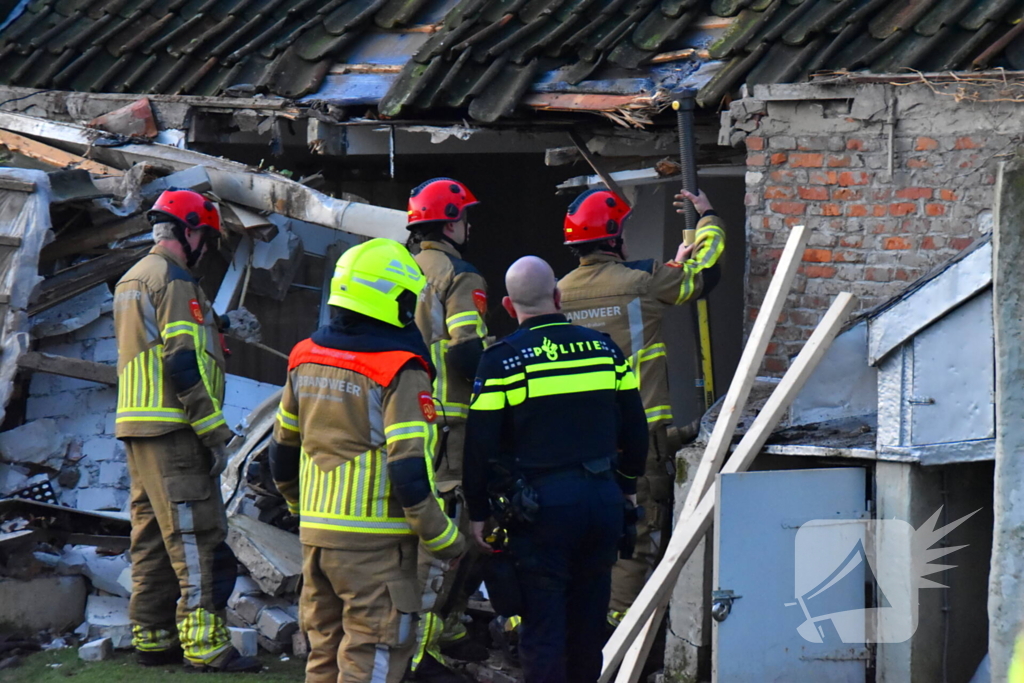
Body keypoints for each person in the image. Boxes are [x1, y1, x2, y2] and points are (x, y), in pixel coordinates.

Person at [269, 238, 467, 683]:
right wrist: (445, 540)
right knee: (373, 655)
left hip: (316, 539)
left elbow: (281, 451)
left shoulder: (305, 356)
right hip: (377, 547)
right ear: (391, 298)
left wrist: (300, 510)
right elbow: (409, 470)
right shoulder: (400, 367)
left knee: (324, 653)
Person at [464, 256, 648, 682]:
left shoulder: (502, 360)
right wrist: (626, 485)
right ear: (558, 297)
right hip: (603, 501)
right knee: (588, 629)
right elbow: (635, 426)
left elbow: (479, 446)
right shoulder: (604, 349)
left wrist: (478, 510)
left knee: (544, 631)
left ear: (509, 307)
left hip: (542, 510)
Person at [556, 188, 725, 626]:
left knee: (578, 529)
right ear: (613, 239)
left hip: (572, 439)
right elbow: (705, 275)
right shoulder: (642, 280)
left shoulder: (557, 294)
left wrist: (670, 265)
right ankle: (618, 630)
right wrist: (707, 219)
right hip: (635, 434)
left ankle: (577, 620)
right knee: (633, 528)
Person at [113, 189, 259, 673]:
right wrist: (212, 429)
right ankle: (205, 645)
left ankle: (152, 635)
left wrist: (217, 326)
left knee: (153, 535)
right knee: (196, 537)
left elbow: (162, 347)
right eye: (206, 238)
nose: (207, 250)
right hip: (175, 430)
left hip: (139, 427)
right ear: (189, 231)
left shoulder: (134, 277)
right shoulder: (175, 281)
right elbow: (180, 359)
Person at [406, 178, 491, 672]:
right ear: (449, 221)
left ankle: (444, 627)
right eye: (464, 216)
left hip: (406, 415)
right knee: (450, 529)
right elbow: (465, 349)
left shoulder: (402, 268)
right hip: (450, 421)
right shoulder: (461, 275)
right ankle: (421, 645)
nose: (469, 225)